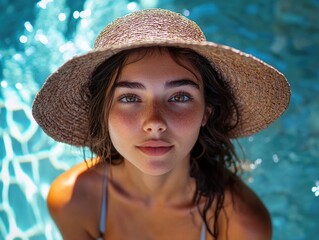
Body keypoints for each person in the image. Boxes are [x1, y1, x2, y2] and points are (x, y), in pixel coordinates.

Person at [32, 8, 290, 240]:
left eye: (179, 97)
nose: (154, 122)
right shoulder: (72, 201)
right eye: (130, 98)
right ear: (103, 113)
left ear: (206, 113)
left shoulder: (241, 224)